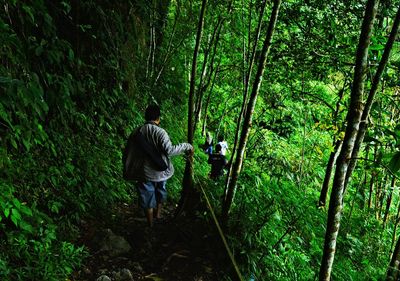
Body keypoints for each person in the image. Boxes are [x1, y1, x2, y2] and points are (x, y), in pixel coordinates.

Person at [136, 105, 193, 227]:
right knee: (160, 191)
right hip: (161, 171)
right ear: (158, 118)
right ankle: (159, 214)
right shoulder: (160, 132)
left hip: (145, 172)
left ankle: (150, 224)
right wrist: (186, 146)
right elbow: (170, 151)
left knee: (147, 196)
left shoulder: (138, 132)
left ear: (145, 116)